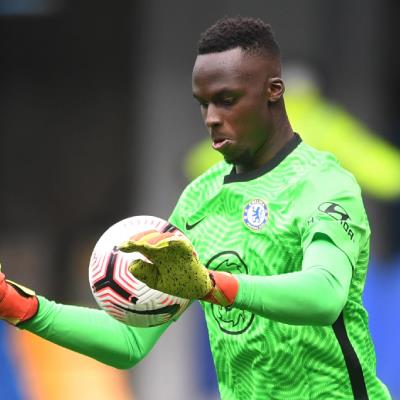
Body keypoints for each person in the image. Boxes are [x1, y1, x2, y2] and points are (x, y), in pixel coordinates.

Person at [0, 16, 391, 399]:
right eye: (203, 104)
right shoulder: (200, 199)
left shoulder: (323, 183)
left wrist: (212, 285)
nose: (212, 119)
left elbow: (324, 296)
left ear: (274, 91)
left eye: (227, 100)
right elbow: (131, 341)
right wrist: (21, 306)